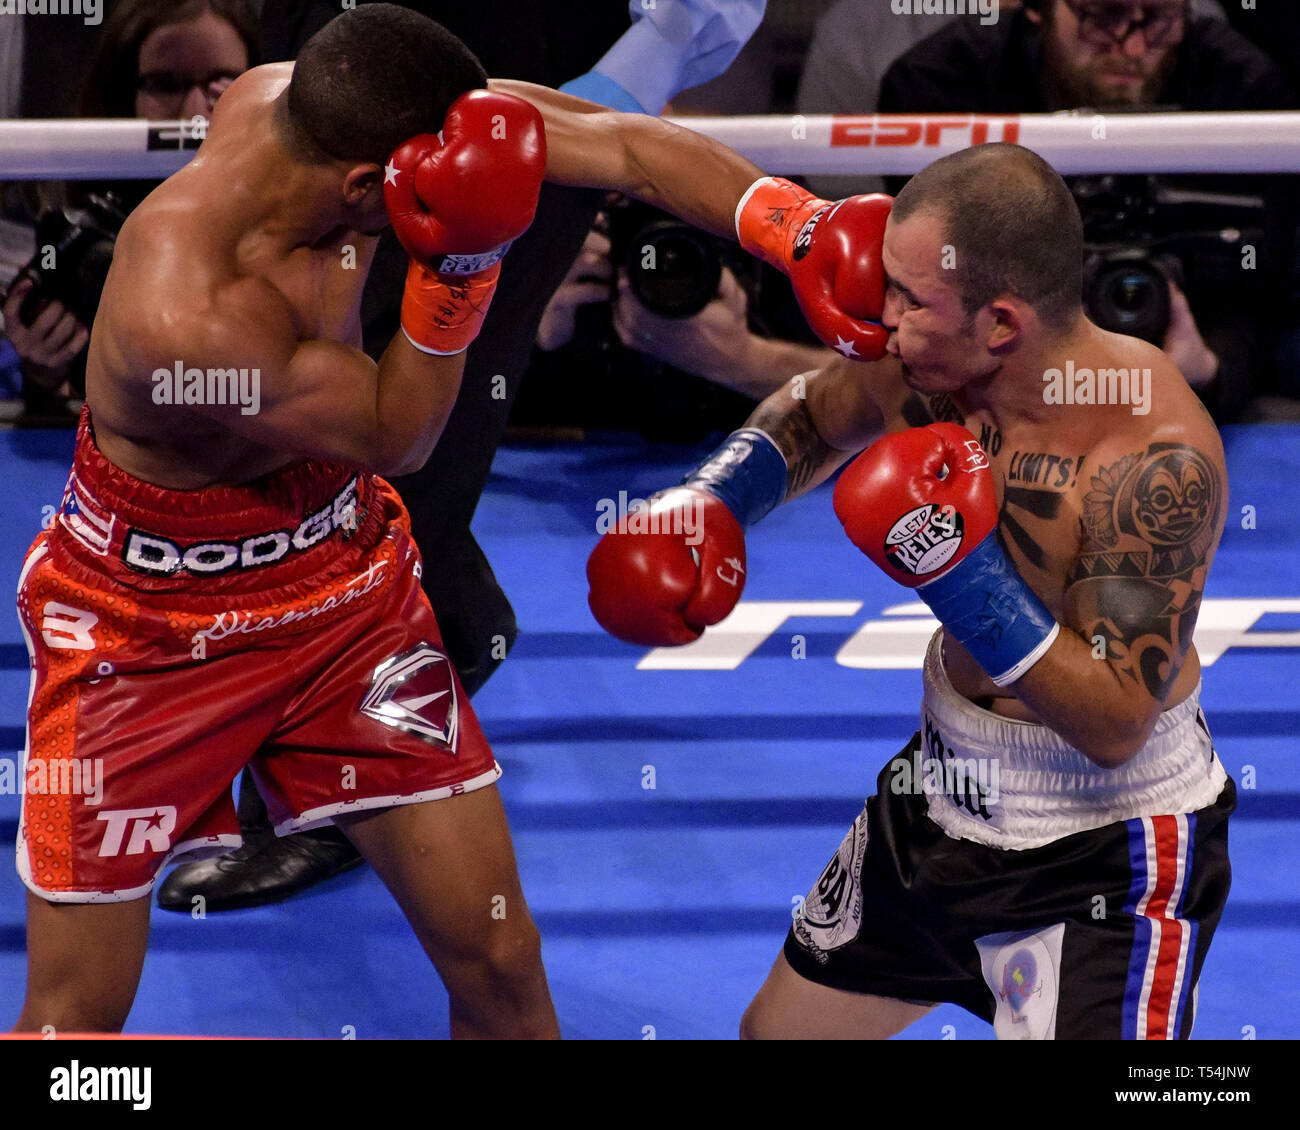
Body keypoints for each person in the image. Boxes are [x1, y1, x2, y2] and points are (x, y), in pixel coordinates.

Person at [15, 3, 848, 1035]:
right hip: (147, 629)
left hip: (341, 592)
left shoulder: (324, 106)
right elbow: (393, 432)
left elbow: (625, 142)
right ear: (375, 185)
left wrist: (799, 229)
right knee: (71, 1023)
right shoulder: (181, 311)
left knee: (501, 958)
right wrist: (465, 259)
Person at [586, 144, 1233, 1039]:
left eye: (907, 299)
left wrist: (958, 574)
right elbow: (816, 407)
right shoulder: (932, 362)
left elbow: (1115, 724)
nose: (876, 318)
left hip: (1107, 847)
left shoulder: (1151, 455)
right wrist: (715, 498)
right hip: (945, 786)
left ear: (1001, 322)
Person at [157, 0, 769, 911]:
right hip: (373, 76)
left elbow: (627, 146)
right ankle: (449, 621)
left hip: (504, 76)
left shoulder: (491, 128)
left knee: (374, 461)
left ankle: (333, 786)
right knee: (332, 428)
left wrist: (797, 225)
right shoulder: (226, 223)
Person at [875, 0, 1297, 423]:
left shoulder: (1244, 95)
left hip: (1188, 382)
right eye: (1105, 17)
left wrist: (1210, 370)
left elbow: (1258, 290)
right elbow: (923, 283)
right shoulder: (940, 88)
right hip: (990, 381)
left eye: (1158, 21)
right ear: (1039, 9)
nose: (1132, 49)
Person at [1, 0, 261, 426]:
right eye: (166, 84)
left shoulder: (307, 230)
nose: (195, 111)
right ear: (125, 94)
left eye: (223, 83)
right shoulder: (86, 242)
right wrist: (44, 364)